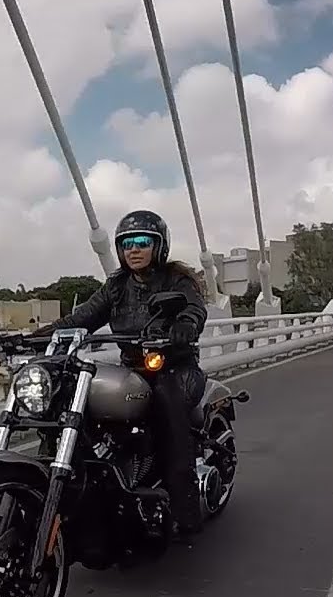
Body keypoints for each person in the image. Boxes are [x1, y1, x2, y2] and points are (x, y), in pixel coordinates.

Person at [32, 209, 208, 542]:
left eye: (142, 242)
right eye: (127, 243)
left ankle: (186, 506)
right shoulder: (117, 286)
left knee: (167, 407)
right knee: (77, 401)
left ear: (159, 246)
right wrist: (37, 337)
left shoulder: (176, 280)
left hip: (175, 368)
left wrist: (185, 325)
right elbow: (82, 318)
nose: (134, 249)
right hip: (133, 368)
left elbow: (193, 307)